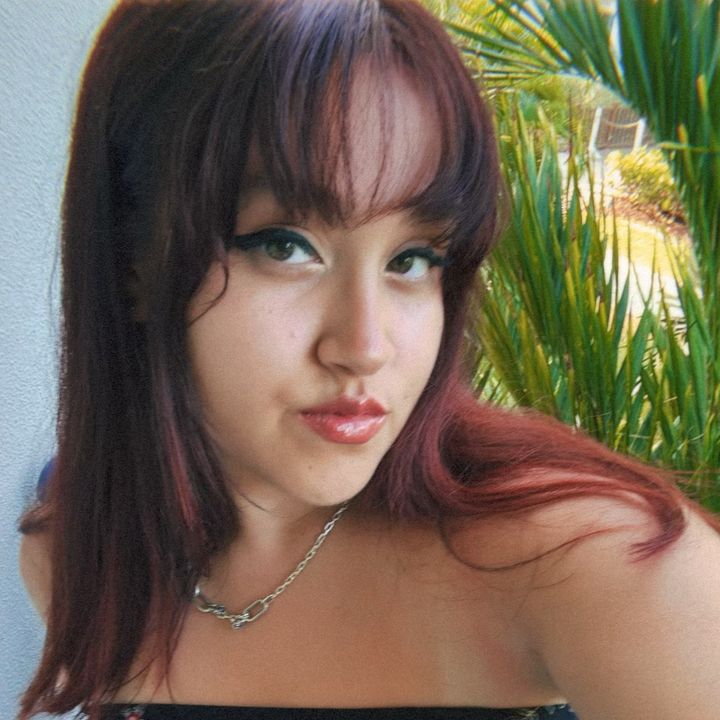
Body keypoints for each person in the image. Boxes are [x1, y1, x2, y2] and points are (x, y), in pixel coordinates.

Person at [17, 1, 720, 719]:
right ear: (134, 265)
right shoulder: (76, 561)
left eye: (411, 259)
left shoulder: (599, 562)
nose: (366, 347)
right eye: (285, 246)